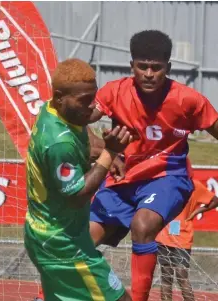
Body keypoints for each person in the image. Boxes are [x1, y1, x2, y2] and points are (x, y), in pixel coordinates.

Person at [87, 29, 218, 301]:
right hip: (124, 178)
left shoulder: (187, 99)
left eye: (156, 67)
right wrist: (103, 150)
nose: (149, 73)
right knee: (77, 244)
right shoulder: (113, 91)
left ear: (168, 68)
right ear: (132, 66)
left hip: (167, 177)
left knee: (143, 225)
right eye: (143, 67)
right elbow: (79, 117)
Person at [25, 58, 135, 301]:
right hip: (63, 246)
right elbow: (78, 195)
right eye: (84, 100)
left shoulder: (51, 110)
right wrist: (110, 153)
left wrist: (100, 150)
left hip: (51, 235)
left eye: (92, 97)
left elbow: (81, 131)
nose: (91, 106)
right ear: (60, 96)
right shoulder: (58, 143)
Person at [155, 179, 218, 301]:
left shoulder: (194, 185)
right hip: (163, 235)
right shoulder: (164, 182)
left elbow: (216, 201)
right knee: (166, 276)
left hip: (182, 236)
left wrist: (197, 211)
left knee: (181, 275)